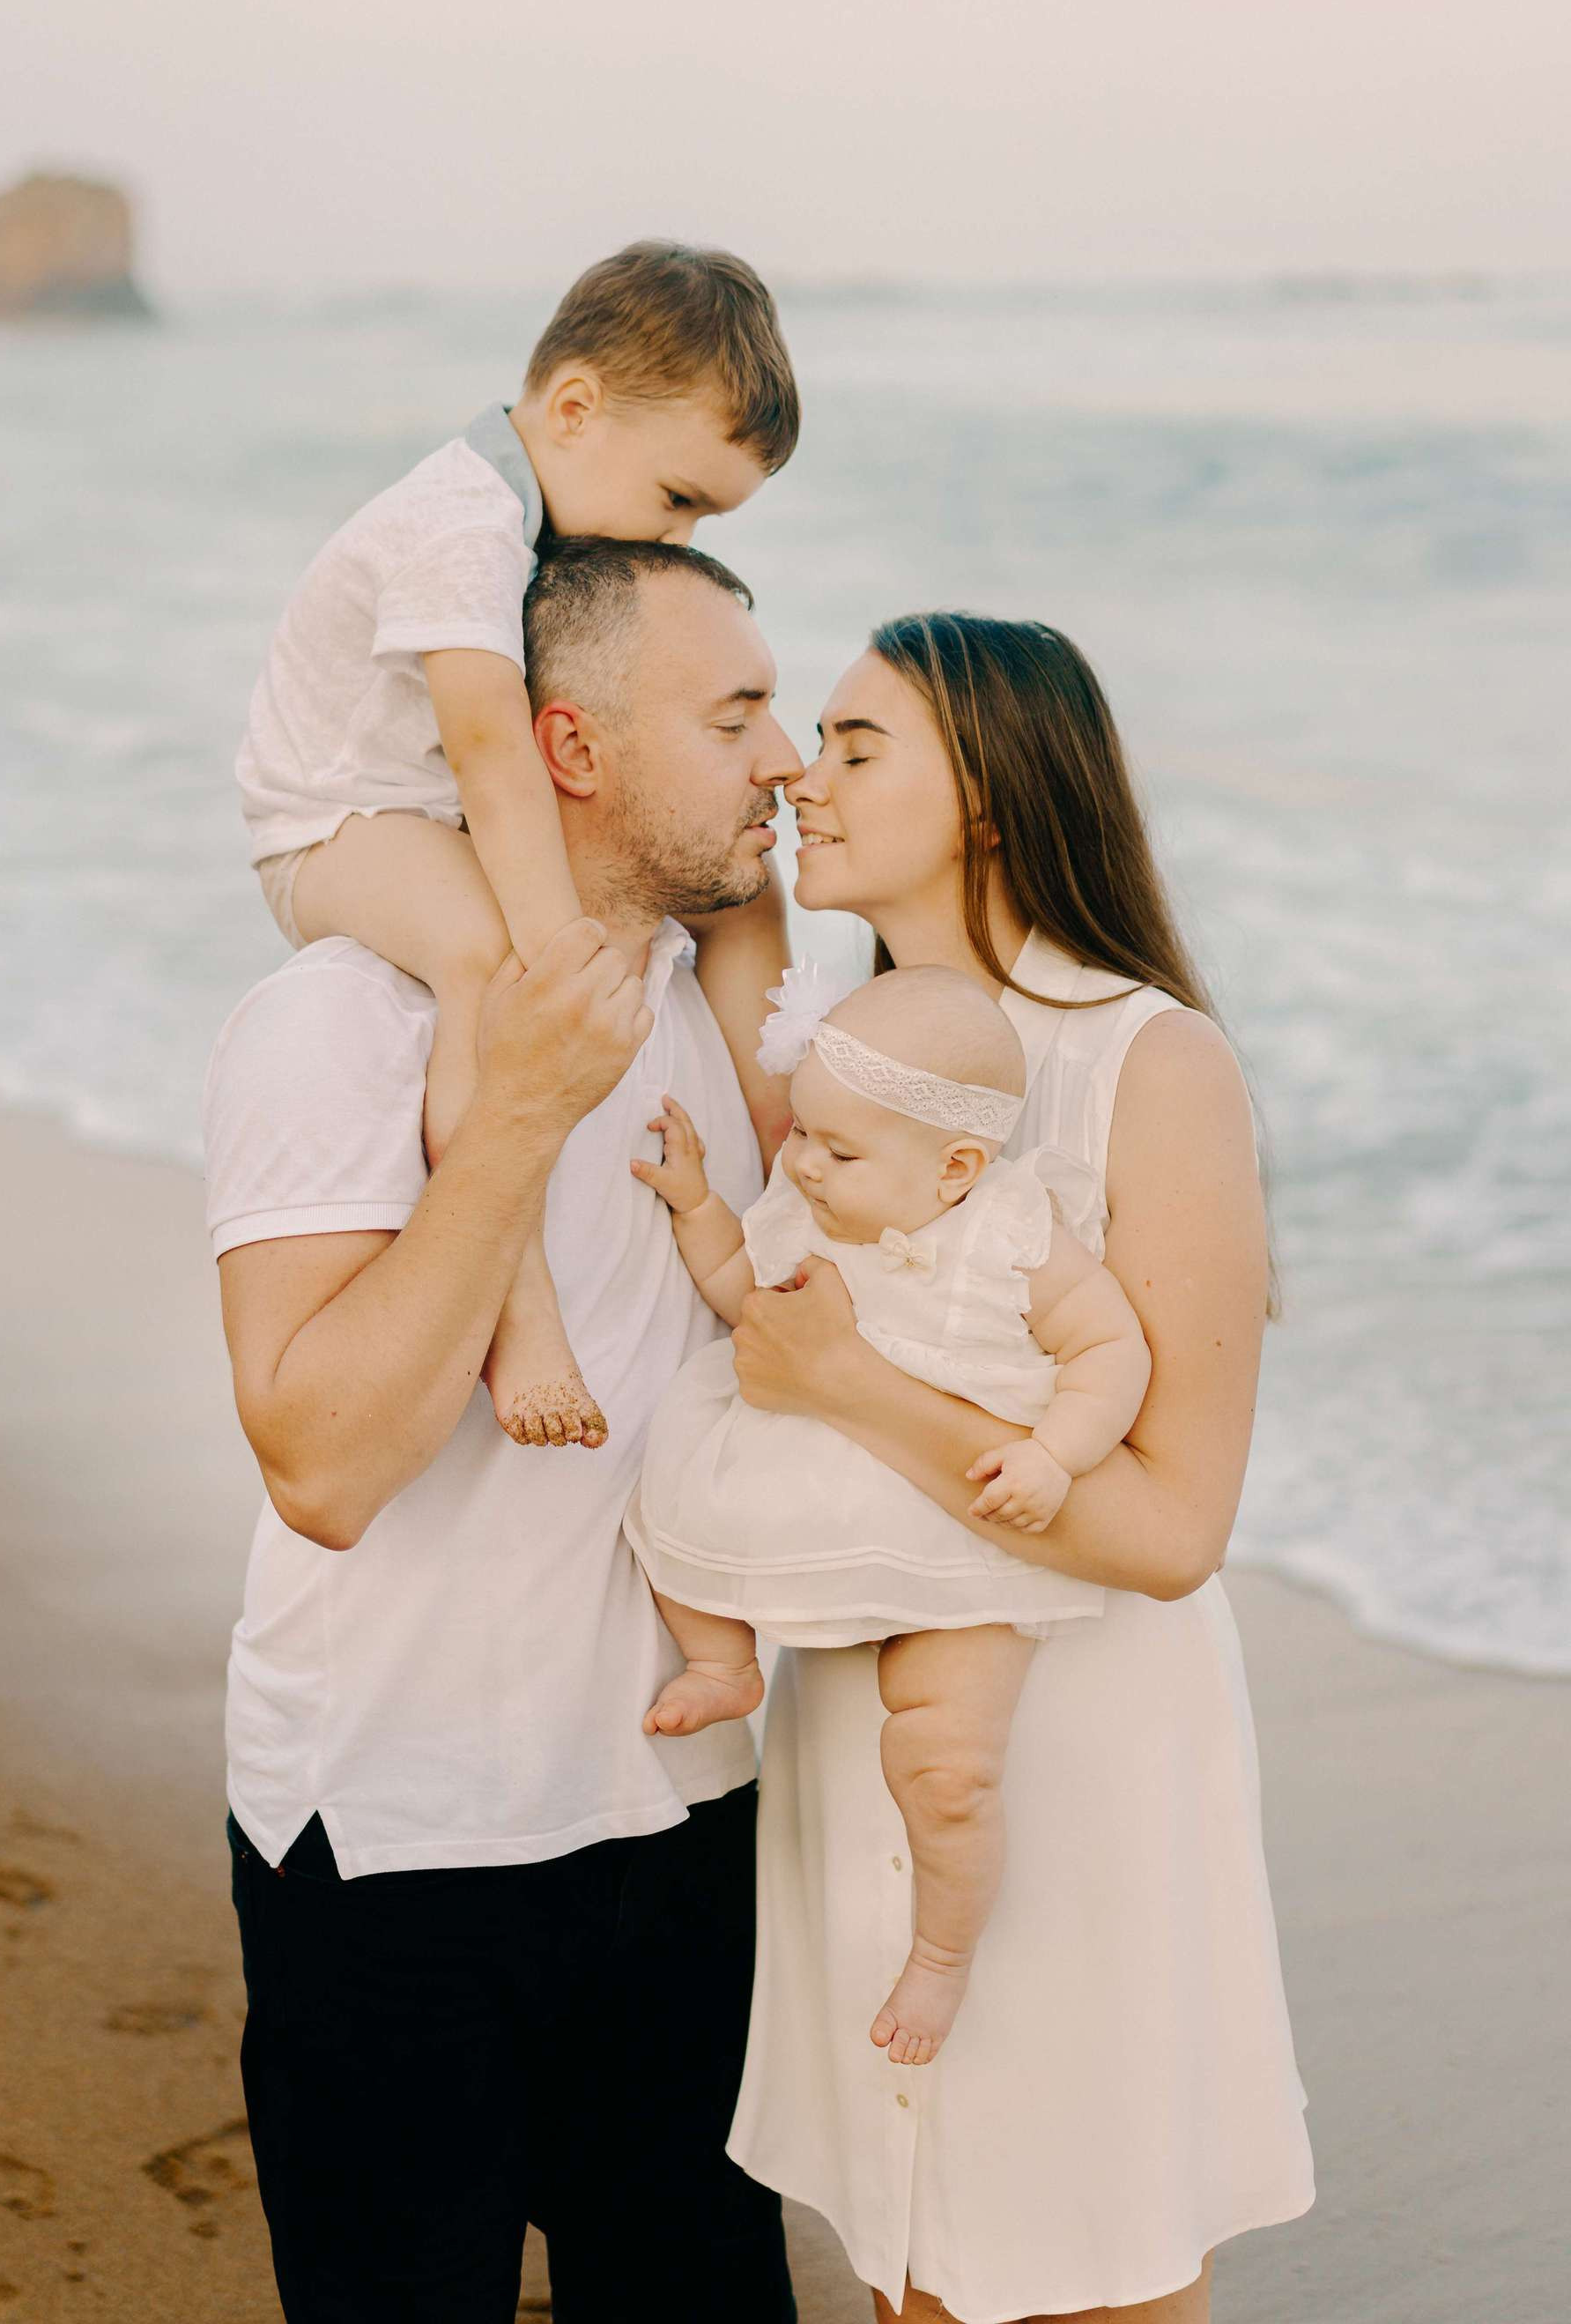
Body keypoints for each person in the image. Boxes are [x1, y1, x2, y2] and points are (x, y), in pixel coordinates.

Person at [204, 538, 801, 2322]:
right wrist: (521, 1116)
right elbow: (319, 1459)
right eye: (736, 713)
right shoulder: (342, 1019)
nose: (780, 757)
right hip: (403, 1836)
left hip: (684, 1814)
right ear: (569, 747)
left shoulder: (727, 1012)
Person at [724, 616, 1315, 2322]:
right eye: (803, 738)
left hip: (1070, 1765)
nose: (799, 774)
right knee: (913, 2253)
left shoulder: (1148, 1059)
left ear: (985, 798)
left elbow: (1173, 1526)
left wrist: (845, 1382)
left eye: (854, 745)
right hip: (863, 1725)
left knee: (1088, 2258)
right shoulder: (838, 1056)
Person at [235, 241, 799, 1447]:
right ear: (575, 409)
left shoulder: (522, 514)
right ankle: (520, 1311)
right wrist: (557, 948)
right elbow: (494, 746)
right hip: (327, 822)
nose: (685, 541)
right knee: (491, 965)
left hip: (397, 807)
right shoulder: (466, 524)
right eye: (679, 499)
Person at [624, 963, 1151, 2067]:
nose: (804, 1163)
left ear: (957, 1166)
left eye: (838, 1150)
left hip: (961, 1534)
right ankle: (725, 1662)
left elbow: (1110, 1349)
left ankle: (940, 1957)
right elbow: (737, 1289)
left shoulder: (1015, 1233)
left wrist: (1056, 1456)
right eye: (800, 1135)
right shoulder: (799, 1206)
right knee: (667, 1509)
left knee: (945, 1767)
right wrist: (697, 1206)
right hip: (807, 1485)